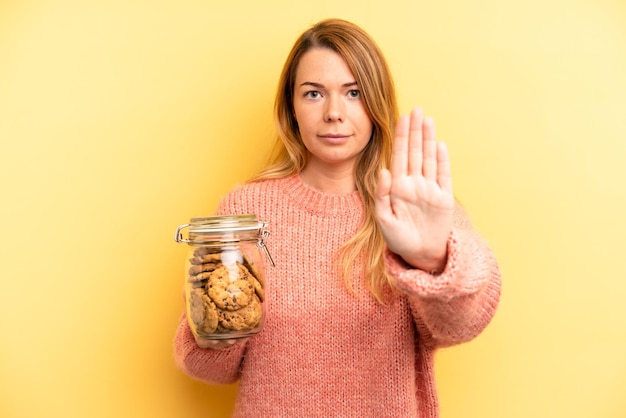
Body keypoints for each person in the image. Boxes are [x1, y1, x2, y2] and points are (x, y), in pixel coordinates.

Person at [174, 18, 501, 417]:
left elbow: (461, 326)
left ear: (376, 101)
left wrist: (433, 261)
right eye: (313, 94)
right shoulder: (245, 213)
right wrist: (215, 333)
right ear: (291, 107)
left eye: (354, 93)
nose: (333, 113)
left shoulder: (415, 207)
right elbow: (210, 368)